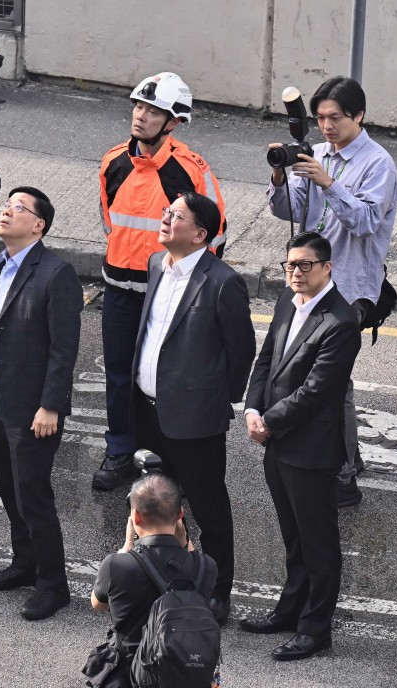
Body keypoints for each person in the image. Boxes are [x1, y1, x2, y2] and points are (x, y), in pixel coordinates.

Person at [267, 76, 397, 507]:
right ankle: (346, 456)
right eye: (320, 117)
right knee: (306, 373)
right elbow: (287, 211)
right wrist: (280, 175)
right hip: (308, 282)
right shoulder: (317, 153)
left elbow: (364, 222)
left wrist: (328, 182)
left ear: (358, 116)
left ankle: (343, 475)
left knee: (331, 383)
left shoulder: (379, 165)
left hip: (349, 290)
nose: (326, 126)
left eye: (335, 118)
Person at [93, 72, 227, 492]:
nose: (142, 116)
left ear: (173, 122)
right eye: (139, 106)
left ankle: (165, 458)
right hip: (118, 289)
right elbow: (108, 220)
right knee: (118, 373)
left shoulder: (190, 170)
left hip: (165, 294)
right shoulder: (113, 160)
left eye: (153, 111)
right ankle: (119, 451)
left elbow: (215, 234)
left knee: (162, 377)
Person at [130, 191, 255, 626]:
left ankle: (218, 592)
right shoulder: (154, 265)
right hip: (148, 411)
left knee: (208, 508)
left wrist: (215, 401)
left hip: (195, 417)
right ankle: (162, 580)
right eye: (166, 212)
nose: (165, 219)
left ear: (200, 233)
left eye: (175, 215)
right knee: (157, 505)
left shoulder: (222, 282)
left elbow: (241, 351)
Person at [241, 232, 361, 661]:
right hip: (276, 441)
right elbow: (266, 361)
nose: (295, 272)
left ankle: (315, 629)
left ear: (328, 268)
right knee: (293, 536)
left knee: (319, 543)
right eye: (289, 264)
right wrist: (253, 408)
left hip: (310, 448)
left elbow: (316, 391)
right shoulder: (284, 303)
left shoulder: (342, 322)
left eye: (305, 265)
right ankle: (290, 610)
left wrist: (269, 423)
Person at [0, 186, 84, 621]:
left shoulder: (56, 273)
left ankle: (54, 585)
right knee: (8, 488)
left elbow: (63, 348)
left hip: (33, 405)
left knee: (32, 494)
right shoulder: (1, 265)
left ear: (38, 225)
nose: (7, 212)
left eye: (19, 208)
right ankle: (25, 564)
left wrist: (51, 405)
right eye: (8, 205)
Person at [84, 473, 216, 688]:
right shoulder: (206, 566)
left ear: (135, 517)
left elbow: (97, 605)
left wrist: (126, 549)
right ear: (180, 514)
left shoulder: (117, 566)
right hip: (185, 674)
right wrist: (186, 541)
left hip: (131, 675)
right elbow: (196, 581)